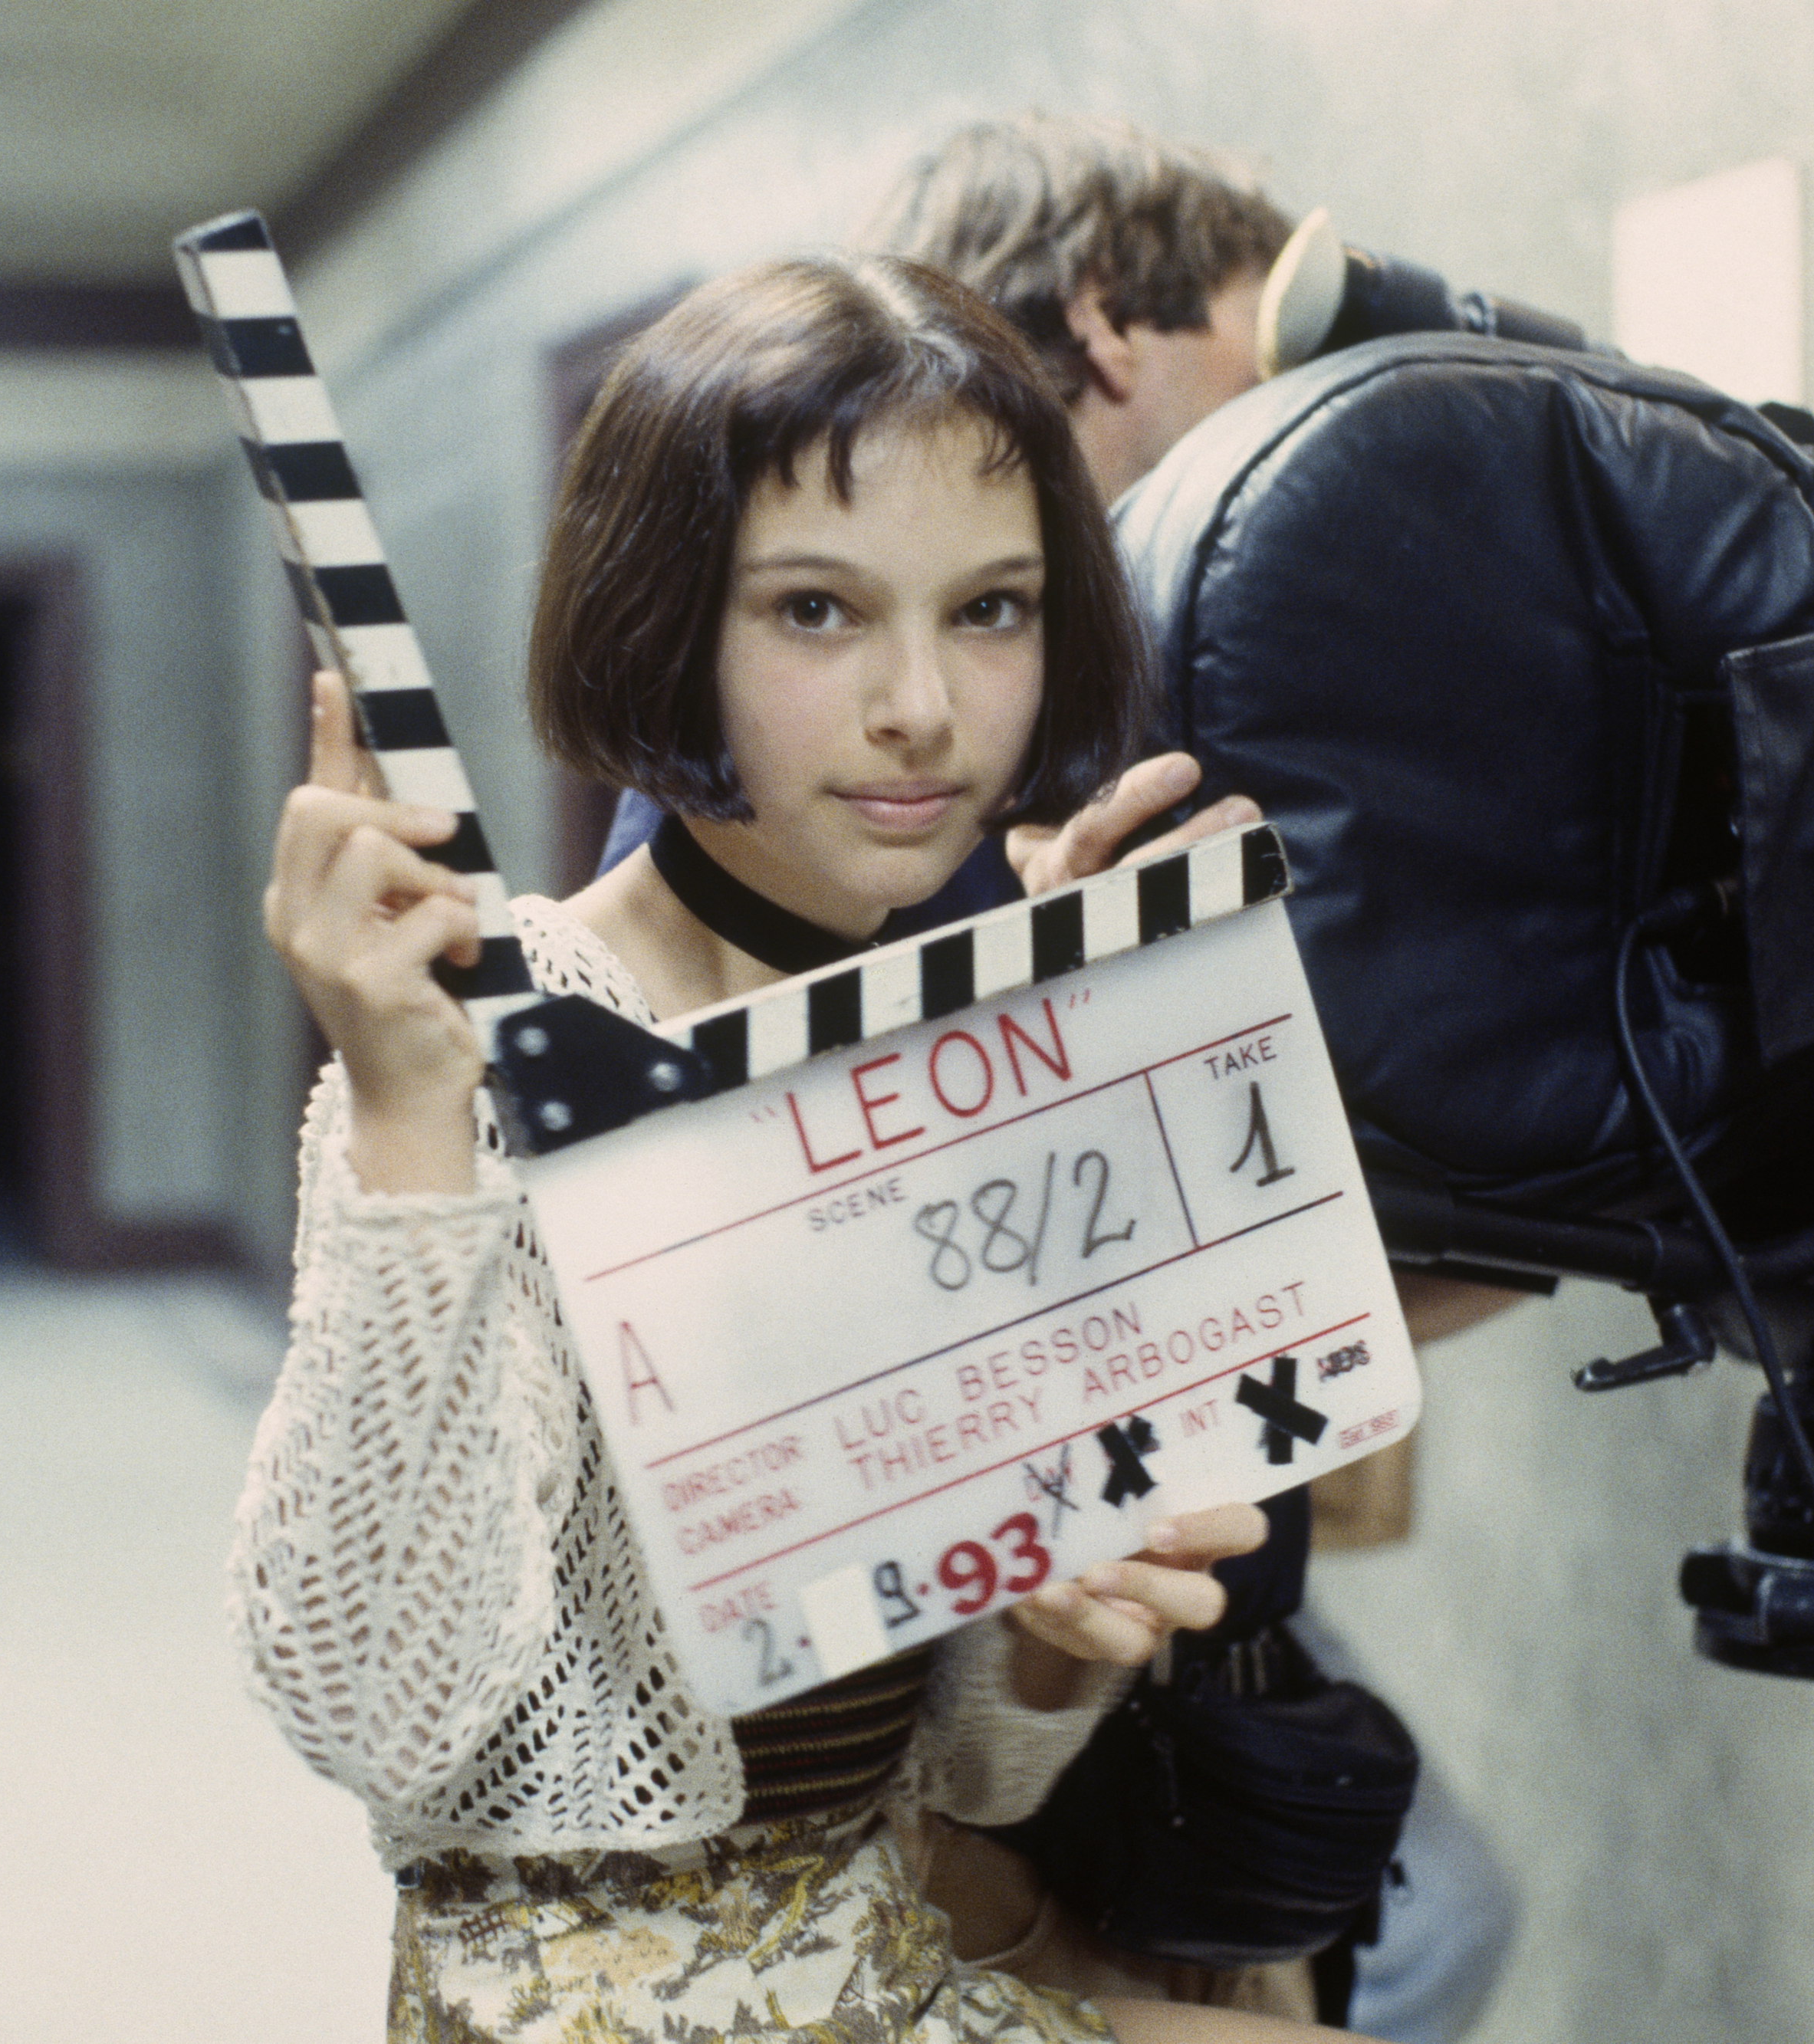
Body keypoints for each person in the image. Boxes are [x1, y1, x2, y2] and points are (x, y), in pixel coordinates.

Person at [235, 251, 1379, 2043]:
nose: (922, 704)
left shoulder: (955, 1033)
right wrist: (399, 1117)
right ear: (663, 617)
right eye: (816, 613)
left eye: (990, 609)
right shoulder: (500, 1025)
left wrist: (1060, 1616)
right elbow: (375, 1707)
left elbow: (973, 1774)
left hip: (868, 1950)